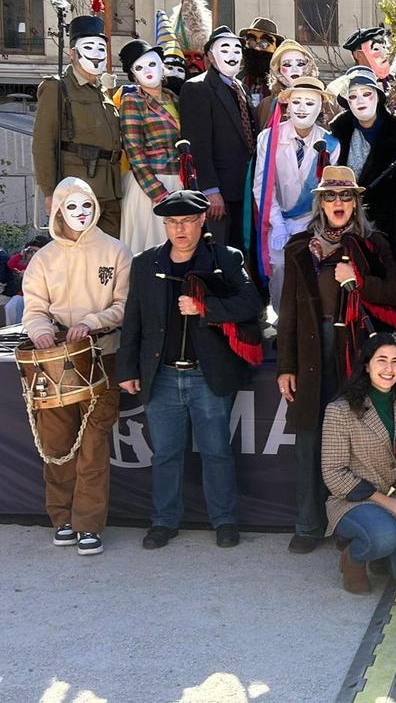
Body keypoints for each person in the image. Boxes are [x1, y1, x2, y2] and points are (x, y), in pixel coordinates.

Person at [117, 189, 264, 550]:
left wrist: (205, 308)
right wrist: (127, 367)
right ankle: (164, 521)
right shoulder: (145, 263)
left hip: (207, 374)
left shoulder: (225, 259)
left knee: (216, 451)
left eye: (186, 222)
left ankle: (225, 520)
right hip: (161, 375)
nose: (179, 230)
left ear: (201, 221)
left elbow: (251, 304)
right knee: (165, 453)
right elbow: (132, 320)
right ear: (165, 225)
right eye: (172, 222)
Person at [277, 165, 396, 553]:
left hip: (356, 351)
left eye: (345, 196)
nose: (338, 203)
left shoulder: (373, 244)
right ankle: (308, 524)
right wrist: (286, 366)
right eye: (330, 196)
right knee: (310, 441)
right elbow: (289, 313)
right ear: (320, 202)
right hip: (313, 352)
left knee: (356, 443)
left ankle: (353, 521)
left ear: (356, 203)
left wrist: (359, 281)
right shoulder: (300, 247)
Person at [21, 177, 131, 555]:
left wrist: (93, 322)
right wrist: (39, 332)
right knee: (56, 443)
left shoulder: (116, 251)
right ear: (58, 211)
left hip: (103, 354)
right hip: (54, 362)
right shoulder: (44, 258)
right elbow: (33, 308)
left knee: (93, 443)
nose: (81, 213)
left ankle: (88, 524)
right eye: (72, 206)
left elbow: (123, 304)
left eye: (87, 205)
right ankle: (61, 518)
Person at [321, 333, 396, 594]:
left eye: (395, 362)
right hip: (355, 502)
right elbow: (333, 474)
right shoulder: (340, 410)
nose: (388, 369)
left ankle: (381, 550)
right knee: (385, 537)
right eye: (381, 360)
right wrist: (385, 502)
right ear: (367, 365)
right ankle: (353, 556)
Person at [252, 76, 341, 311]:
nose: (302, 109)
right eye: (297, 102)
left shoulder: (331, 144)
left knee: (312, 268)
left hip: (312, 221)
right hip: (277, 217)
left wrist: (314, 226)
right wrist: (277, 224)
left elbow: (330, 193)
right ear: (287, 105)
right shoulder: (268, 138)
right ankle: (283, 322)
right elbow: (262, 186)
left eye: (310, 103)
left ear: (320, 107)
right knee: (279, 267)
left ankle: (308, 323)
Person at [33, 12, 123, 238]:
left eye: (102, 49)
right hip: (78, 189)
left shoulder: (102, 91)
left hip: (110, 189)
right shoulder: (57, 88)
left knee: (108, 256)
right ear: (72, 52)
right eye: (89, 47)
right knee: (79, 254)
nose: (96, 55)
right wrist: (50, 192)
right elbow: (44, 143)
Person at [178, 26, 258, 250]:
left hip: (243, 187)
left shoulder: (242, 88)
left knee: (240, 251)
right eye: (225, 49)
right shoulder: (197, 88)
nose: (232, 55)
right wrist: (211, 191)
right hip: (220, 191)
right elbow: (197, 144)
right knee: (218, 250)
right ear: (210, 57)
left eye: (237, 50)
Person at [330, 66, 396, 254]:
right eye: (352, 96)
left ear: (377, 96)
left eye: (366, 93)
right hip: (343, 220)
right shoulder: (337, 133)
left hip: (385, 226)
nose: (359, 100)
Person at [117, 39, 182, 255]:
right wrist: (159, 195)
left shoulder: (174, 98)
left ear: (162, 66)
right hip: (151, 188)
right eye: (139, 67)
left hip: (180, 183)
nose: (147, 71)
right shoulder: (132, 100)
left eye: (152, 64)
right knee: (154, 250)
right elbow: (134, 152)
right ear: (133, 75)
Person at [237, 17, 284, 128]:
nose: (257, 48)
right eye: (252, 43)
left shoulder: (282, 81)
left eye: (264, 44)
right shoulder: (238, 80)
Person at [3, 236, 51, 326]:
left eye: (36, 251)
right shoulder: (27, 266)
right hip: (25, 295)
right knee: (12, 305)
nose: (33, 254)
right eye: (30, 252)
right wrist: (21, 254)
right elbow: (11, 264)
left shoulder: (49, 265)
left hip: (42, 296)